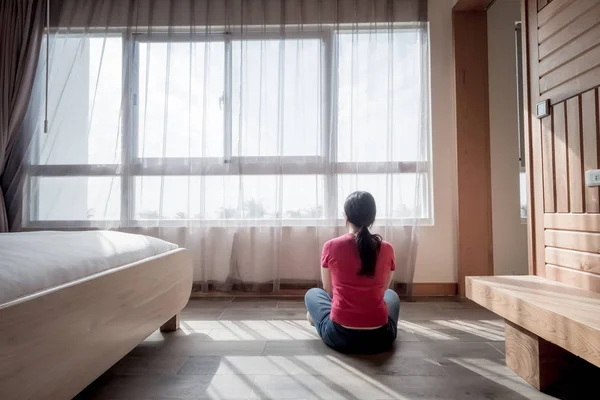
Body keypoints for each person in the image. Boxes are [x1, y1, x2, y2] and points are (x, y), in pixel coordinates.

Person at [305, 191, 400, 354]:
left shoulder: (331, 246)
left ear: (346, 217)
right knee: (391, 295)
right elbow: (383, 289)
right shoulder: (387, 248)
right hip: (381, 337)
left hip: (340, 336)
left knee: (313, 294)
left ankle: (318, 318)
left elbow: (328, 289)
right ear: (373, 218)